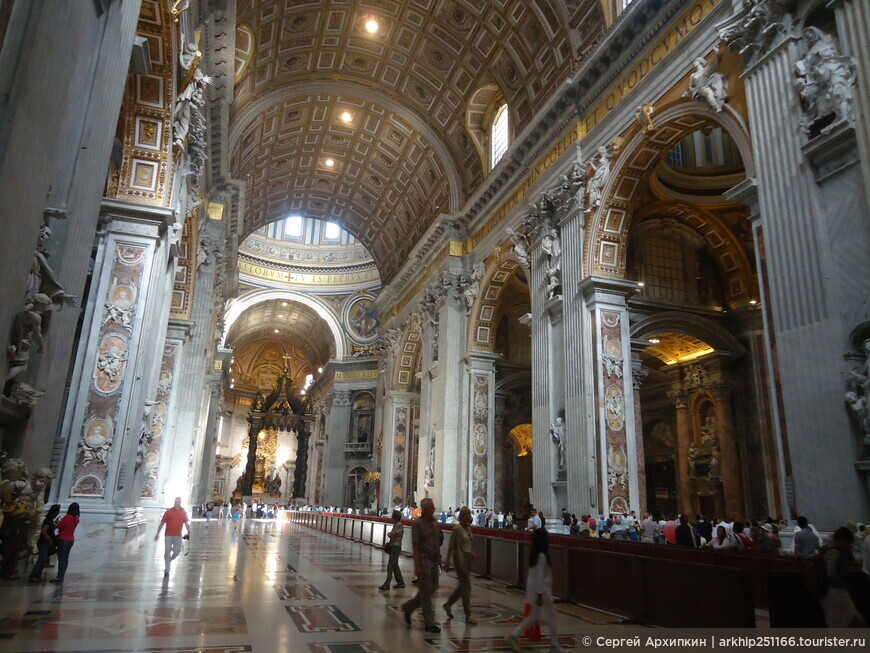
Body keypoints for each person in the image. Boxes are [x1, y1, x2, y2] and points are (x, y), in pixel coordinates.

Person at [506, 527, 562, 653]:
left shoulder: (535, 554)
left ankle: (513, 635)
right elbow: (539, 576)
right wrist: (540, 594)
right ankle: (554, 646)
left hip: (536, 589)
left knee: (533, 616)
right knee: (552, 618)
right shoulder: (542, 556)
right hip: (542, 590)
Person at [401, 497, 442, 633]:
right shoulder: (418, 524)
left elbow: (436, 542)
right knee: (426, 594)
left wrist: (440, 559)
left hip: (434, 561)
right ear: (424, 509)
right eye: (431, 506)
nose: (434, 508)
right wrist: (417, 565)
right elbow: (416, 546)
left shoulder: (435, 522)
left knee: (433, 587)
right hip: (424, 562)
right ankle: (429, 623)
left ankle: (409, 606)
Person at [820, 527, 865, 627]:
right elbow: (830, 573)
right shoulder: (834, 552)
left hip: (831, 593)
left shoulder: (827, 549)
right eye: (847, 543)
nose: (848, 546)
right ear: (840, 540)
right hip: (835, 593)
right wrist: (843, 582)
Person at [443, 506, 477, 624]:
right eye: (465, 514)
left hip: (467, 560)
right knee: (466, 587)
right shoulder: (457, 528)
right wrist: (447, 562)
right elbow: (451, 546)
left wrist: (471, 554)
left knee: (462, 587)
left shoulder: (468, 527)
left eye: (469, 514)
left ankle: (448, 604)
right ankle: (468, 614)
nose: (468, 516)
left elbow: (468, 543)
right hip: (459, 560)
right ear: (460, 516)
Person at [155, 497, 191, 577]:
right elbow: (162, 523)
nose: (176, 503)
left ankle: (170, 559)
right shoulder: (169, 512)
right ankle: (167, 569)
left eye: (177, 501)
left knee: (177, 551)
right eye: (175, 501)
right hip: (168, 535)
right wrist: (157, 533)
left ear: (180, 502)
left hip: (178, 535)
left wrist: (189, 531)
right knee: (167, 551)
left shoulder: (183, 512)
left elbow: (186, 523)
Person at [28, 504, 61, 583]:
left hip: (45, 542)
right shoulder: (48, 520)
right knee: (41, 560)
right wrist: (49, 539)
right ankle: (33, 576)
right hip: (43, 542)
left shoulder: (50, 520)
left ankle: (37, 576)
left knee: (43, 560)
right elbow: (44, 531)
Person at [51, 502, 80, 583]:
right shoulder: (76, 519)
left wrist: (57, 523)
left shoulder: (68, 517)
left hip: (63, 539)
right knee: (65, 558)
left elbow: (59, 526)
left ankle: (59, 576)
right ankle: (61, 575)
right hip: (71, 539)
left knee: (61, 558)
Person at [379, 510, 405, 590]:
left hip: (396, 547)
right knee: (395, 565)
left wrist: (389, 534)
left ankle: (387, 584)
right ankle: (400, 582)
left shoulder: (398, 525)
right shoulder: (396, 524)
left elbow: (393, 535)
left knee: (390, 565)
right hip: (394, 546)